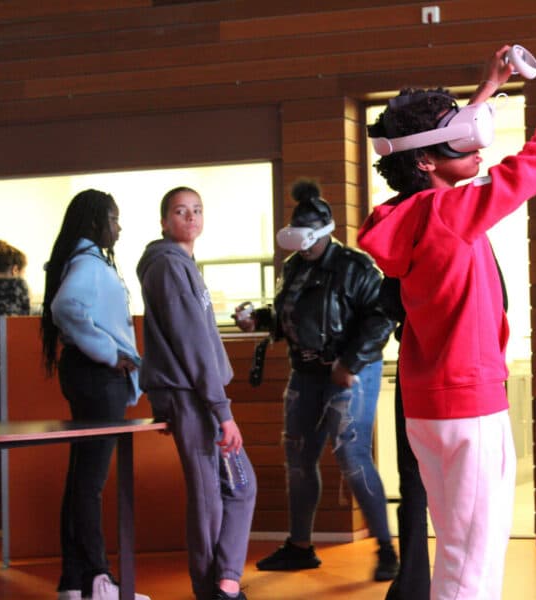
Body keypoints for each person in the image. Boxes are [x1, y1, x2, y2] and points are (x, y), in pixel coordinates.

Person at [357, 42, 536, 600]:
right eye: (459, 131)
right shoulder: (450, 214)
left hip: (430, 407)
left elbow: (438, 150)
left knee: (458, 554)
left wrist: (490, 86)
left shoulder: (405, 214)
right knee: (469, 572)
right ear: (425, 160)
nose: (475, 136)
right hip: (469, 408)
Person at [234, 179, 398, 581]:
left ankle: (386, 548)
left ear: (325, 232)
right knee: (298, 459)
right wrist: (260, 320)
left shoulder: (355, 267)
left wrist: (350, 362)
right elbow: (291, 317)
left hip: (349, 372)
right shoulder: (294, 268)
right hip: (305, 373)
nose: (303, 247)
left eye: (308, 238)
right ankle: (300, 546)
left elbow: (382, 317)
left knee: (352, 456)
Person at [136, 186, 257, 600]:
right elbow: (191, 342)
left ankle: (224, 583)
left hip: (196, 394)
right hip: (192, 396)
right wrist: (222, 410)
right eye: (180, 211)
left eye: (197, 210)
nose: (190, 217)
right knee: (212, 494)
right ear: (164, 222)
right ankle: (214, 589)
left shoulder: (181, 264)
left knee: (237, 487)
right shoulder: (169, 266)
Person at [40, 190, 150, 600]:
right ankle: (97, 579)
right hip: (97, 379)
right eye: (114, 219)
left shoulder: (83, 259)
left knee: (81, 480)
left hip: (88, 376)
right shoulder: (88, 263)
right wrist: (108, 352)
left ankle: (74, 581)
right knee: (90, 482)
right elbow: (66, 307)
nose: (118, 228)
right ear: (94, 223)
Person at [376, 277, 430, 600]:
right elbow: (501, 302)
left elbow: (388, 300)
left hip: (418, 363)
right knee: (458, 488)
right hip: (463, 369)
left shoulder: (410, 250)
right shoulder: (478, 251)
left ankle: (413, 587)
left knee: (413, 481)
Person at [0, 240, 30, 544]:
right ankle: (20, 532)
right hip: (4, 379)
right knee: (10, 452)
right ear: (14, 269)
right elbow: (27, 328)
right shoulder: (17, 288)